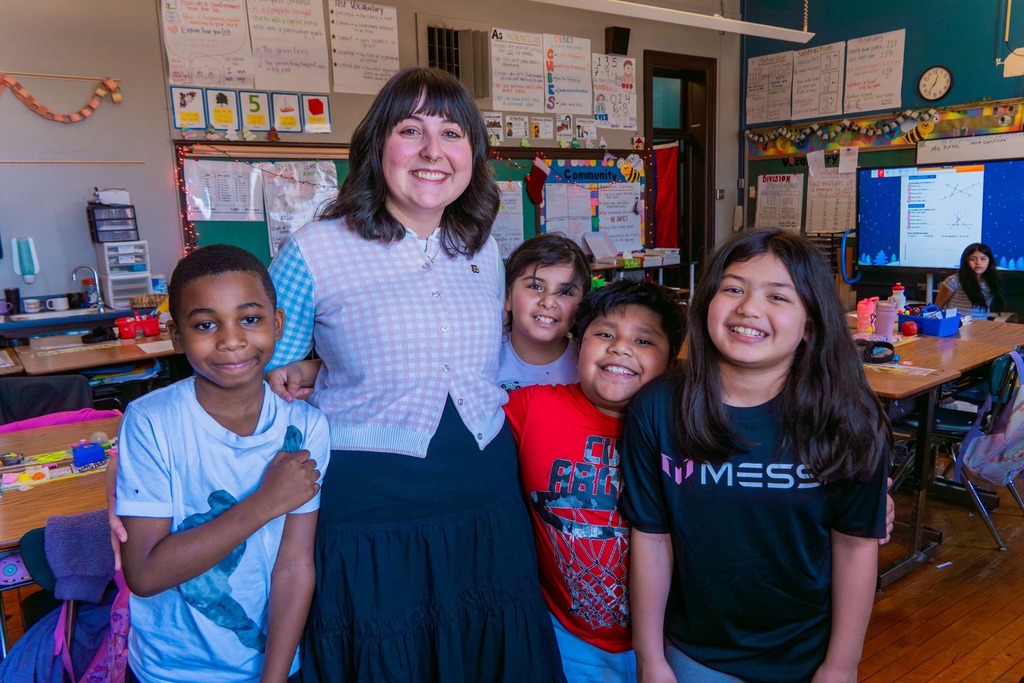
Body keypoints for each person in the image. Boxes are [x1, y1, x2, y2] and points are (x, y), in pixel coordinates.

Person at [266, 66, 565, 682]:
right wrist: (312, 364)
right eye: (411, 130)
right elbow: (271, 379)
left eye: (452, 133)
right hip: (372, 506)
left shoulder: (481, 246)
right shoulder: (314, 249)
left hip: (485, 494)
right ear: (378, 146)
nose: (433, 152)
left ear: (472, 155)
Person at [622, 228, 890, 683]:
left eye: (778, 297)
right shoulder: (657, 407)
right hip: (693, 655)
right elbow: (651, 538)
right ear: (706, 302)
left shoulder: (849, 417)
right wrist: (650, 660)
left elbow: (854, 546)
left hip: (805, 657)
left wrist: (842, 666)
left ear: (810, 323)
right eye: (733, 289)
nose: (748, 308)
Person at [114, 244, 330, 683]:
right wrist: (265, 503)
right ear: (177, 336)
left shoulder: (306, 426)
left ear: (279, 323)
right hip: (172, 670)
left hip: (275, 666)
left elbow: (294, 565)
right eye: (206, 324)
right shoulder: (151, 422)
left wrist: (274, 678)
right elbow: (145, 573)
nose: (231, 340)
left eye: (249, 319)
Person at [504, 281, 685, 683]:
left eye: (643, 340)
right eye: (604, 334)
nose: (620, 348)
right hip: (566, 641)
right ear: (577, 345)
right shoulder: (533, 407)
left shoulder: (687, 425)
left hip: (676, 643)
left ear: (672, 362)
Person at [498, 232, 591, 392]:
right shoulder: (486, 360)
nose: (548, 302)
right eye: (535, 287)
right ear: (508, 297)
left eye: (566, 292)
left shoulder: (589, 367)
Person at [935, 242, 1005, 318]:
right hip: (957, 326)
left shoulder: (992, 280)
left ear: (989, 261)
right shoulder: (954, 280)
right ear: (966, 261)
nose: (978, 263)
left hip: (981, 326)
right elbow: (938, 306)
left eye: (983, 259)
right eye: (973, 259)